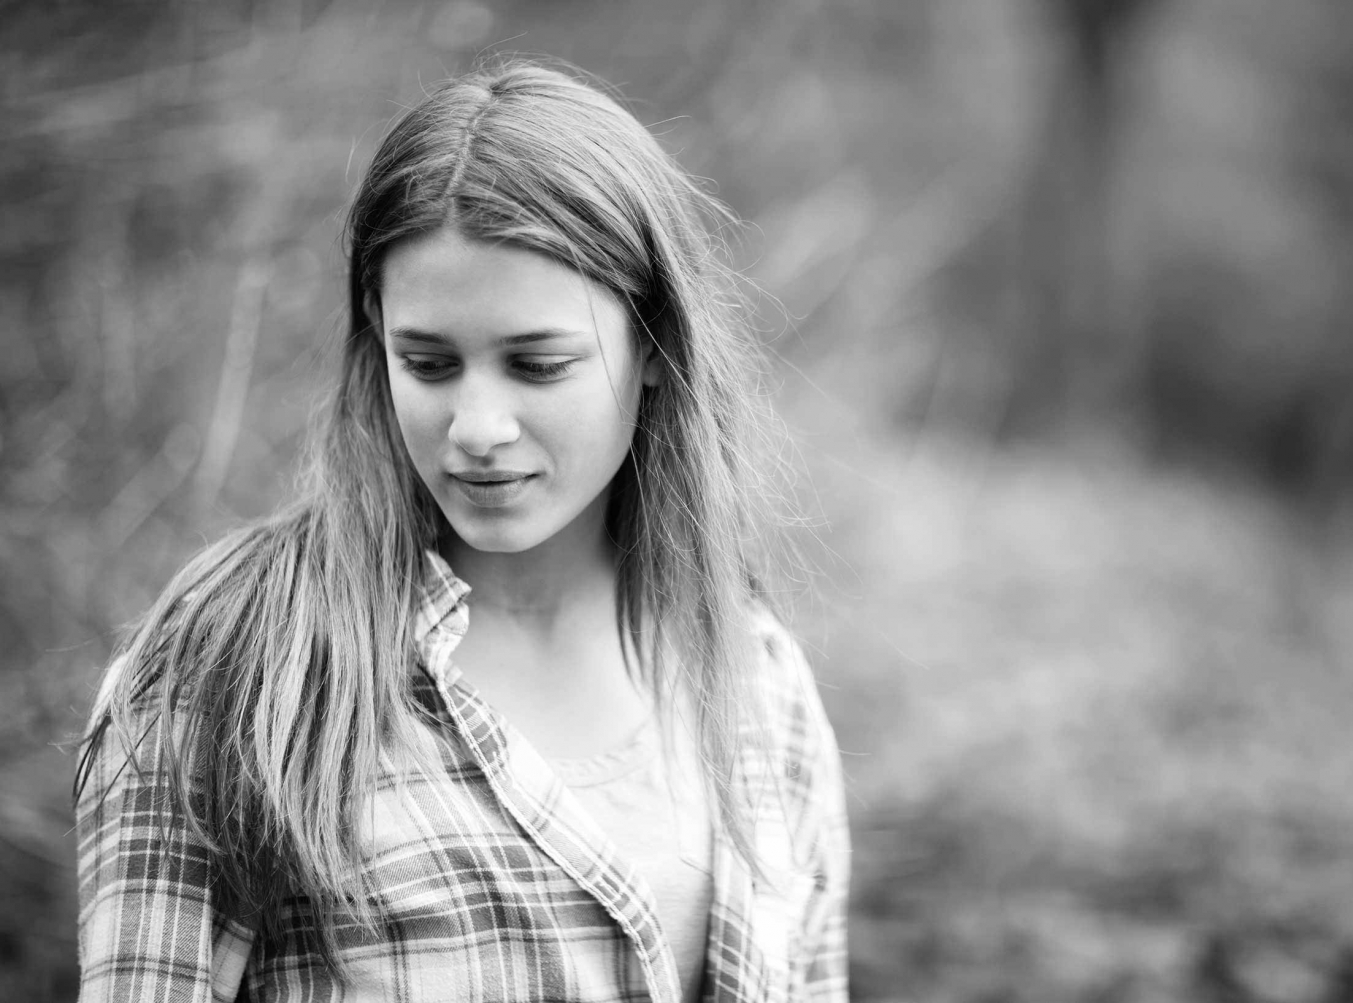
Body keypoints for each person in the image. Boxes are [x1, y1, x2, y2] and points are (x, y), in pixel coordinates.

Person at [72, 55, 849, 1003]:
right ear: (376, 333)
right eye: (430, 363)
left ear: (654, 347)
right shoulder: (238, 667)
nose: (478, 428)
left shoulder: (755, 682)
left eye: (537, 364)